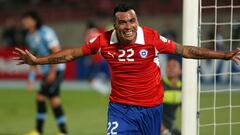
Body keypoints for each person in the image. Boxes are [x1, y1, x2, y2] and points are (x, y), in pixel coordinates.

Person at [13, 4, 240, 135]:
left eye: (132, 20)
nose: (129, 26)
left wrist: (224, 55)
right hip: (120, 109)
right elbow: (72, 53)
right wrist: (39, 61)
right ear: (115, 25)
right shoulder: (103, 40)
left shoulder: (150, 37)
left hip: (151, 109)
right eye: (123, 22)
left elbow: (185, 51)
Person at [20, 11, 68, 135]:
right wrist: (31, 78)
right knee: (54, 100)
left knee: (40, 97)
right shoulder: (29, 37)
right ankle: (63, 132)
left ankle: (38, 131)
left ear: (34, 20)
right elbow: (32, 59)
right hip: (48, 71)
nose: (23, 22)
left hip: (57, 69)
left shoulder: (46, 32)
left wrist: (52, 72)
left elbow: (56, 51)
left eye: (26, 19)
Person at [161, 58, 182, 135]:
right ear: (165, 69)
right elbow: (151, 112)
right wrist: (163, 131)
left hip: (170, 128)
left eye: (174, 66)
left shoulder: (184, 89)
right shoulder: (158, 86)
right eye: (168, 66)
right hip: (156, 127)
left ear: (180, 70)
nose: (171, 68)